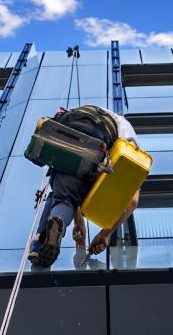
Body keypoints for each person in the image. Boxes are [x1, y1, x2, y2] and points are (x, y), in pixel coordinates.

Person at [28, 105, 140, 267]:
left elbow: (79, 223)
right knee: (66, 196)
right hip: (97, 141)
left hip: (68, 134)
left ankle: (41, 239)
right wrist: (105, 234)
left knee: (63, 197)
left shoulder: (100, 115)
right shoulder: (131, 143)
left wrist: (79, 234)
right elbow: (133, 201)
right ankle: (49, 231)